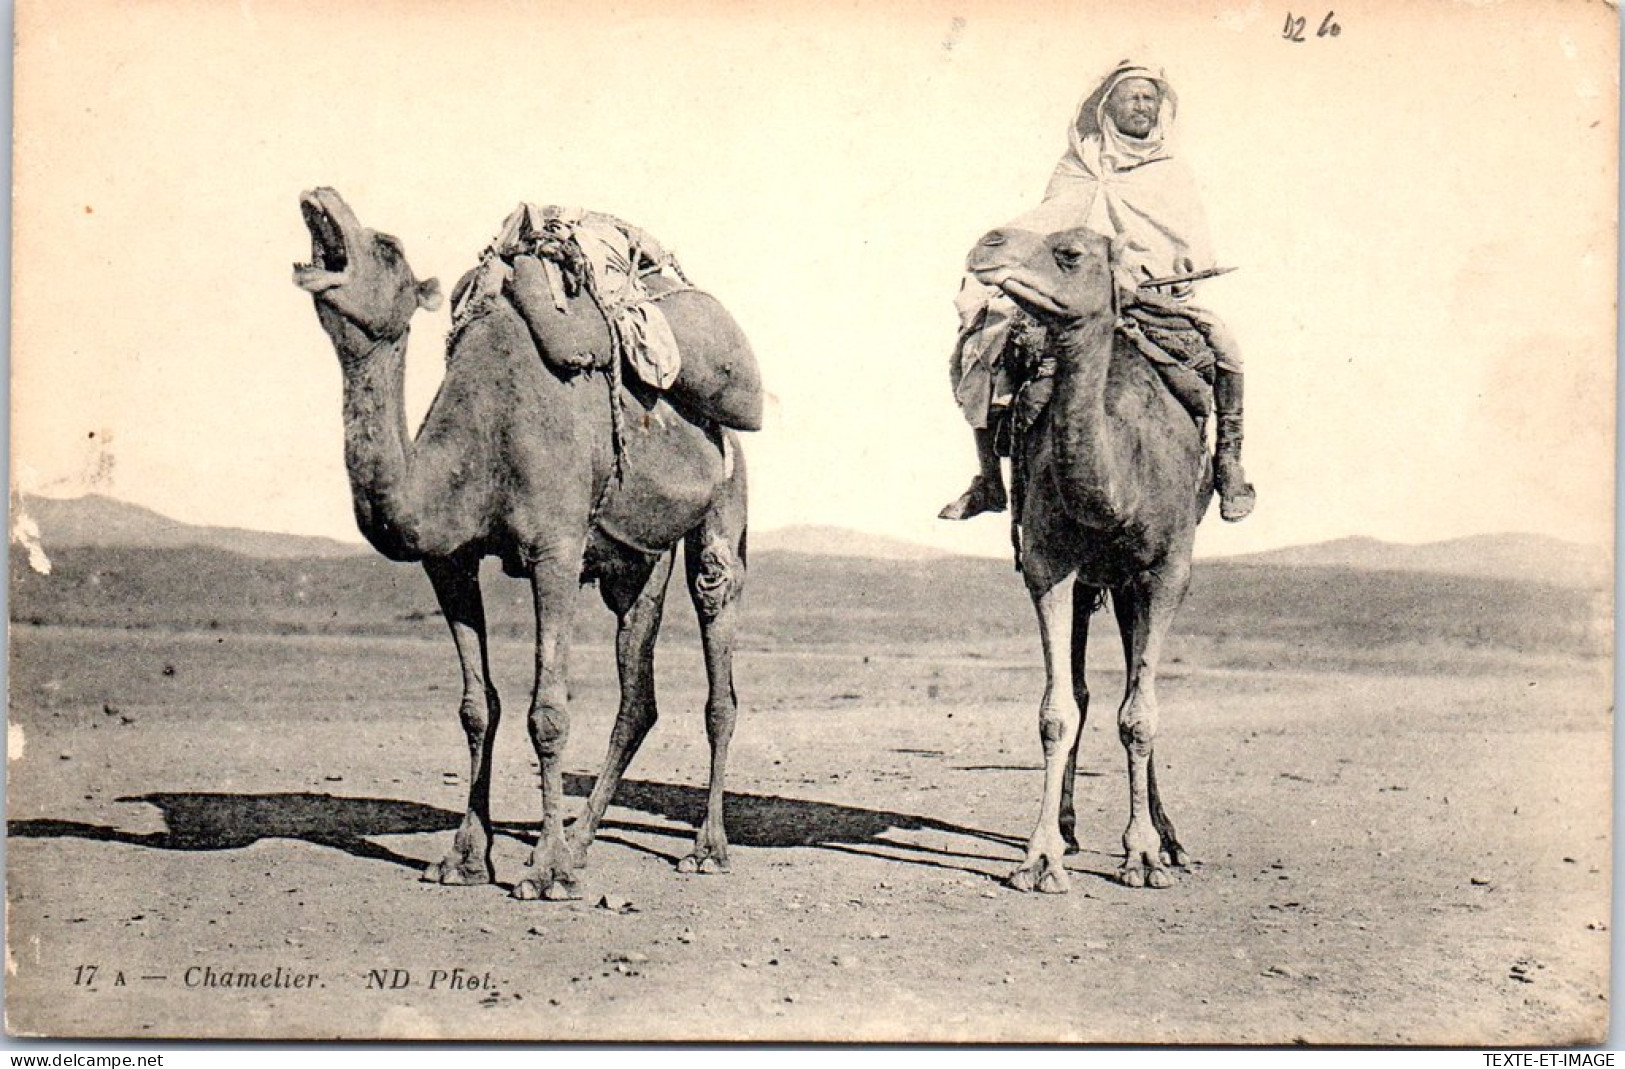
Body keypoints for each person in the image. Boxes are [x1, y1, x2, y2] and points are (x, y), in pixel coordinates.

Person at [940, 61, 1256, 523]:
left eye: (1151, 98)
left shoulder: (1171, 170)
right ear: (1108, 106)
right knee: (989, 336)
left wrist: (1179, 270)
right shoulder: (1078, 165)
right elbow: (1050, 224)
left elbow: (1190, 244)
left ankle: (1228, 463)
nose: (1143, 106)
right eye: (1134, 97)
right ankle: (989, 479)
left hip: (1146, 297)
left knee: (1225, 347)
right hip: (1077, 294)